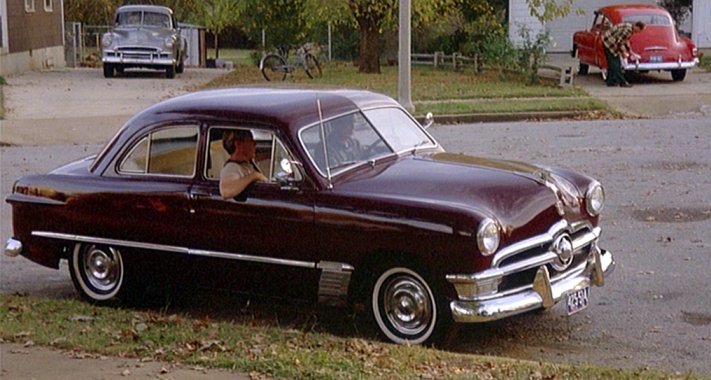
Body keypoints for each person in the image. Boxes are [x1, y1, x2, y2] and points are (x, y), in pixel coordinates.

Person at [219, 129, 268, 199]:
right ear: (238, 144)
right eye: (250, 140)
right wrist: (254, 176)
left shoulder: (248, 164)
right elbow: (226, 192)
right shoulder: (232, 167)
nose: (255, 144)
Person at [602, 20, 645, 87]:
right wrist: (623, 52)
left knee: (611, 63)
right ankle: (622, 82)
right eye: (639, 30)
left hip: (609, 40)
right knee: (616, 64)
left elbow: (626, 40)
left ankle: (610, 81)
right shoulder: (627, 31)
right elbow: (619, 42)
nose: (638, 32)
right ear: (637, 27)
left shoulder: (629, 27)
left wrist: (630, 51)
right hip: (609, 42)